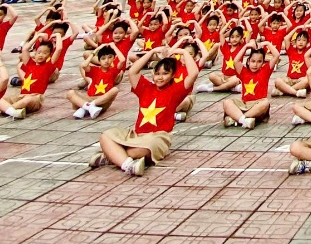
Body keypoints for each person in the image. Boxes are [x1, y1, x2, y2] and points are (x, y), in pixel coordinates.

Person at [89, 46, 199, 176]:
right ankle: (128, 165)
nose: (160, 77)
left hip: (157, 137)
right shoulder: (146, 87)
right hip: (136, 136)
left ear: (173, 75)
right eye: (157, 74)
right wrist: (151, 52)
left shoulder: (176, 90)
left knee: (144, 149)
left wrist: (183, 52)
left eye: (165, 74)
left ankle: (111, 157)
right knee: (105, 136)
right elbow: (133, 72)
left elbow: (193, 73)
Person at [222, 40, 278, 129]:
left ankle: (237, 118)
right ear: (248, 61)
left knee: (265, 103)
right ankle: (244, 120)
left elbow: (276, 55)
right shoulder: (244, 72)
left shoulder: (265, 71)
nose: (255, 64)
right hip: (244, 104)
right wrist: (246, 46)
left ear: (263, 63)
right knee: (227, 102)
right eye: (253, 61)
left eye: (259, 61)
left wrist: (267, 43)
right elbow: (236, 60)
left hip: (257, 105)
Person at [70, 44, 123, 119]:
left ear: (114, 58)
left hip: (103, 100)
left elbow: (122, 60)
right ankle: (89, 108)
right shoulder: (95, 70)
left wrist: (114, 46)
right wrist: (95, 51)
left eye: (110, 57)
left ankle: (86, 107)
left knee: (115, 89)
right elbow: (84, 65)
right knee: (70, 93)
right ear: (99, 60)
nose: (106, 61)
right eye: (103, 58)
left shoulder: (113, 70)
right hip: (89, 98)